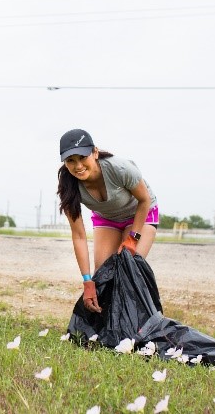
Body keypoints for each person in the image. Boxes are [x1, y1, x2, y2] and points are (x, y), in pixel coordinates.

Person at [57, 128, 158, 313]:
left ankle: (138, 326)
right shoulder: (69, 186)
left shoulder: (119, 168)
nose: (78, 165)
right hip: (107, 218)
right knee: (102, 275)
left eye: (82, 157)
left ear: (95, 152)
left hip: (140, 213)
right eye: (71, 160)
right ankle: (106, 327)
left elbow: (144, 201)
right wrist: (87, 281)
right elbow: (79, 236)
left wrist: (132, 238)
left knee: (129, 267)